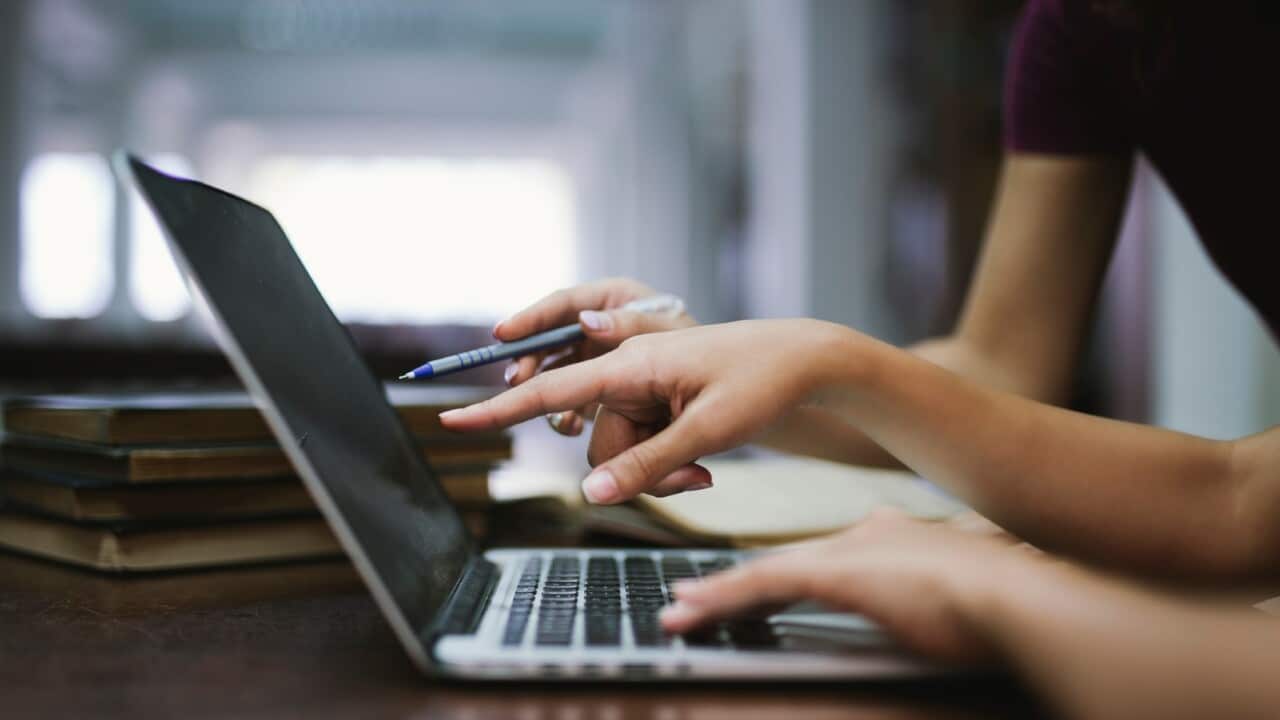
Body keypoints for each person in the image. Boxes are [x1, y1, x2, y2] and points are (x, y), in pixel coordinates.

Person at [438, 1, 1280, 715]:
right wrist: (746, 364)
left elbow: (1243, 504)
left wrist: (990, 590)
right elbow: (1001, 370)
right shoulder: (1089, 26)